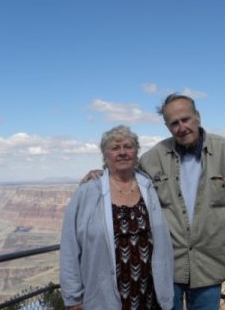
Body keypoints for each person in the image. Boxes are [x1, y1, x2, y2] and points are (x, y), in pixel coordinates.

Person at [82, 93, 225, 310]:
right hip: (167, 269)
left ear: (198, 117)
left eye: (185, 119)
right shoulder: (155, 157)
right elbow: (124, 171)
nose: (181, 127)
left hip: (210, 266)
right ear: (167, 127)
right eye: (174, 123)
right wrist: (101, 174)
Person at [60, 125, 174, 310]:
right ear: (105, 156)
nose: (122, 152)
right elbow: (70, 246)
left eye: (128, 147)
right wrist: (73, 297)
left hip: (150, 293)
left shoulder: (148, 186)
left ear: (136, 153)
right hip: (105, 295)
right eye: (115, 148)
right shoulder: (88, 191)